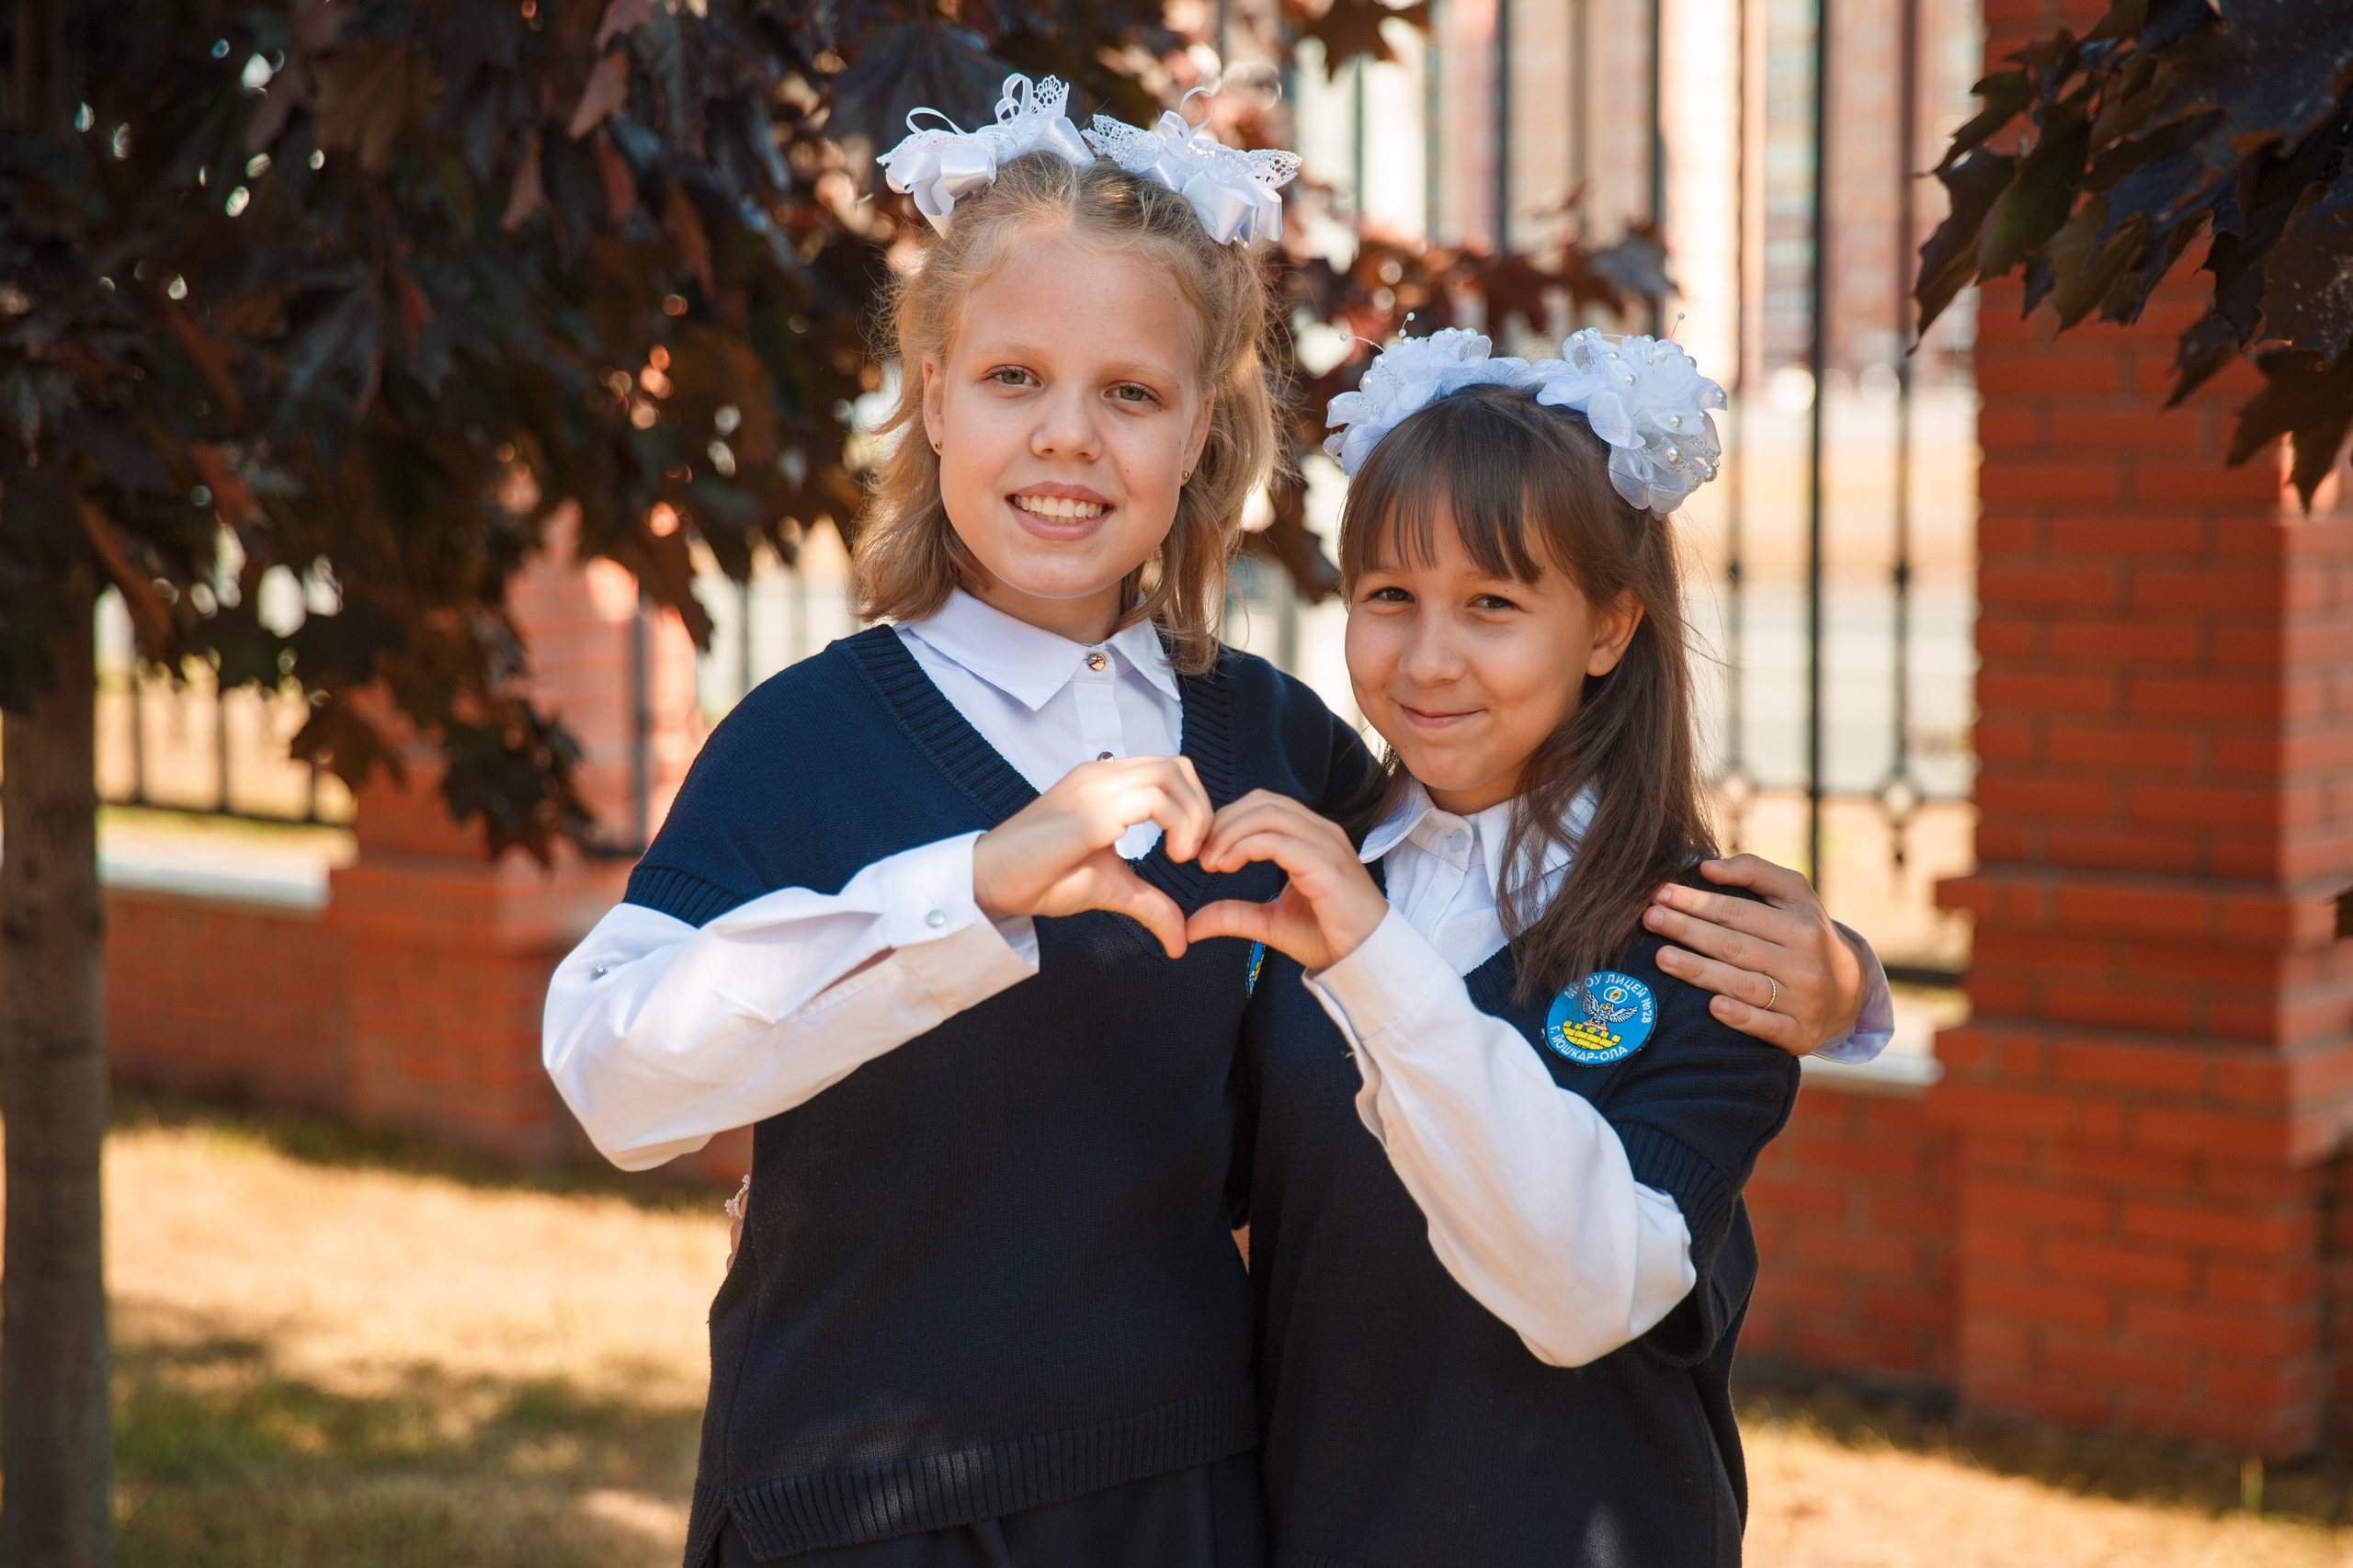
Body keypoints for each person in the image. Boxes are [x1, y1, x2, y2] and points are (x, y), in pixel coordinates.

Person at [544, 79, 1339, 1568]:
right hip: (852, 1508)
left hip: (1180, 1496)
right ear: (931, 394)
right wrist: (975, 883)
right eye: (1014, 377)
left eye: (1131, 393)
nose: (1068, 440)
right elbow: (611, 1077)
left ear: (1196, 434)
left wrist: (1830, 988)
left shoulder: (1280, 745)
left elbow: (1501, 936)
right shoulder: (809, 737)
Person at [1191, 328, 1825, 1565]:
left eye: (1492, 603)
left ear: (1605, 627)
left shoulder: (1704, 944)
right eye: (1389, 596)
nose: (1428, 659)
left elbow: (1584, 1294)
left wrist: (1374, 963)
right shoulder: (1307, 880)